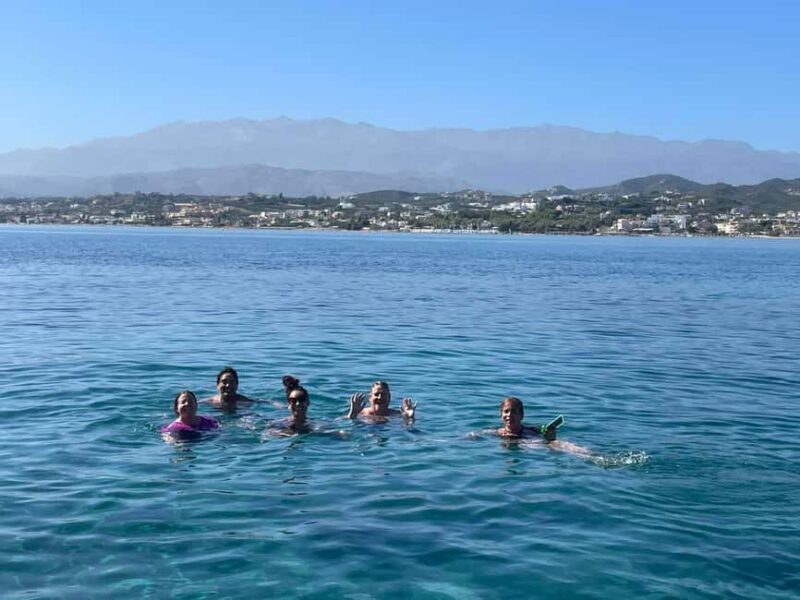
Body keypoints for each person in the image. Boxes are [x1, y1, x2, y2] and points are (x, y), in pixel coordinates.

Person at [347, 380, 417, 421]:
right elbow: (340, 423)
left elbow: (407, 431)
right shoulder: (360, 413)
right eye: (376, 394)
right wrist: (353, 414)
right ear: (370, 398)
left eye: (383, 394)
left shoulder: (397, 415)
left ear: (389, 397)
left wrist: (409, 418)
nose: (380, 397)